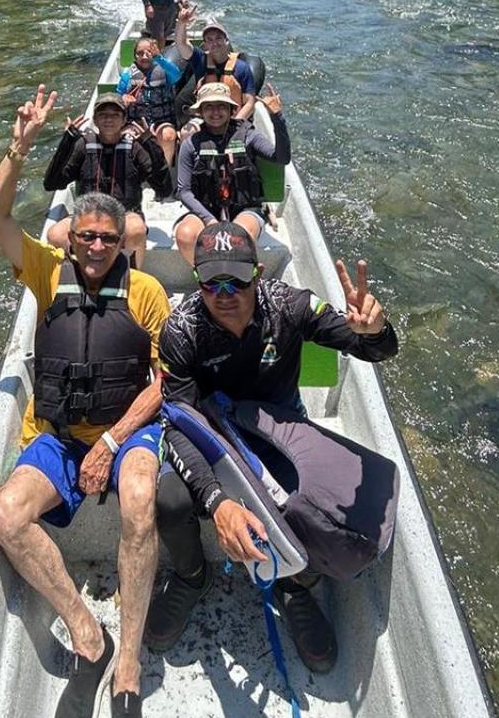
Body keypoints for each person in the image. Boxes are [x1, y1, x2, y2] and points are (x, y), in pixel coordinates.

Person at [0, 85, 168, 718]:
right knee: (5, 516)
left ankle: (126, 674)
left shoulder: (148, 292)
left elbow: (163, 381)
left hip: (129, 432)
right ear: (69, 237)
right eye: (83, 236)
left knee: (142, 498)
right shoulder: (43, 270)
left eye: (106, 239)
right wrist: (20, 145)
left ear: (122, 243)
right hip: (57, 435)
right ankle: (86, 634)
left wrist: (117, 439)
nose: (93, 247)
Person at [146, 223, 399, 672]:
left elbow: (375, 350)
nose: (224, 293)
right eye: (211, 282)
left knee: (302, 500)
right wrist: (218, 501)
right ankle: (191, 576)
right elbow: (179, 424)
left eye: (237, 281)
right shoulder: (180, 332)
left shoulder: (290, 305)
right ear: (198, 279)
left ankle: (297, 586)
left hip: (277, 430)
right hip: (210, 435)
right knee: (167, 500)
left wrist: (374, 332)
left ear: (258, 274)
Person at [42, 90, 174, 270]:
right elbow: (52, 184)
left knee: (135, 228)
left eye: (115, 115)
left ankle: (131, 282)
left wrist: (150, 144)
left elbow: (164, 189)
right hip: (87, 215)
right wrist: (67, 142)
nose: (109, 119)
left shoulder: (134, 148)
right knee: (55, 234)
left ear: (123, 119)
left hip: (124, 215)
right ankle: (78, 280)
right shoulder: (83, 146)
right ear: (95, 120)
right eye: (103, 115)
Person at [173, 81, 290, 265]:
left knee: (237, 235)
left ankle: (236, 282)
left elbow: (281, 158)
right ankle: (205, 279)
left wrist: (277, 118)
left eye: (221, 106)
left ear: (231, 110)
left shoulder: (248, 135)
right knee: (185, 235)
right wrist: (209, 220)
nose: (215, 112)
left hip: (244, 209)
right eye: (209, 107)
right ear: (201, 112)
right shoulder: (191, 144)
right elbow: (183, 191)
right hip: (207, 209)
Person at [117, 2, 194, 166]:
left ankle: (164, 170)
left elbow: (176, 74)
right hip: (136, 121)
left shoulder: (164, 69)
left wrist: (159, 57)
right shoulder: (127, 75)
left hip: (162, 121)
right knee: (126, 138)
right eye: (140, 53)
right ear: (134, 56)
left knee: (168, 136)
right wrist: (122, 99)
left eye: (148, 53)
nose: (144, 56)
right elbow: (117, 97)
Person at [186, 16, 257, 124]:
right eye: (210, 40)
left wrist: (236, 124)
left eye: (219, 38)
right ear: (204, 44)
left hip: (233, 120)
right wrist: (182, 23)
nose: (215, 43)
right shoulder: (200, 61)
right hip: (206, 119)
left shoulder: (242, 68)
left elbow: (250, 103)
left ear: (227, 41)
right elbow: (181, 44)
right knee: (187, 132)